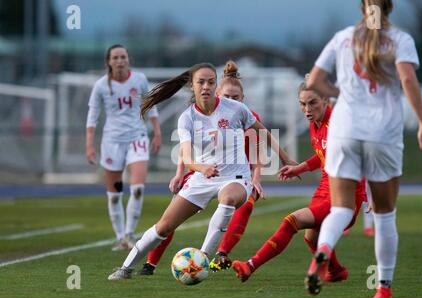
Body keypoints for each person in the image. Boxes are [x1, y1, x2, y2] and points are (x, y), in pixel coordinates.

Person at [304, 0, 422, 298]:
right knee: (384, 214)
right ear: (389, 7)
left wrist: (344, 95)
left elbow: (314, 81)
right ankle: (383, 289)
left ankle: (323, 250)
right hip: (383, 134)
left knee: (340, 209)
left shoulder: (342, 38)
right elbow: (407, 78)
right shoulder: (400, 40)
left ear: (362, 8)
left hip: (344, 131)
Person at [108, 62, 294, 280]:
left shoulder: (236, 109)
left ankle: (202, 258)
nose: (206, 86)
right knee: (164, 227)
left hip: (236, 178)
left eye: (211, 82)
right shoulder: (187, 118)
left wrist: (286, 159)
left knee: (228, 199)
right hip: (201, 177)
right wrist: (201, 167)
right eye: (201, 82)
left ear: (216, 85)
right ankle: (125, 268)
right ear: (192, 86)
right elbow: (186, 156)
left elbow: (263, 135)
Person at [231, 78, 367, 283]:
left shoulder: (338, 125)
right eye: (302, 104)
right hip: (324, 188)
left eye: (313, 103)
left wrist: (366, 194)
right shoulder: (315, 124)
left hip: (344, 194)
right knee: (311, 238)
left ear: (325, 100)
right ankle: (337, 271)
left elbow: (361, 157)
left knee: (292, 221)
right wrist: (299, 168)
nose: (307, 109)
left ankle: (250, 265)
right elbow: (323, 155)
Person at [138, 60, 266, 276]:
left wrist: (257, 177)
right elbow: (185, 148)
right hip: (204, 170)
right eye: (226, 97)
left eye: (235, 98)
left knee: (244, 206)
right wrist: (179, 173)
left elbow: (258, 146)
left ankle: (219, 254)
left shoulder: (244, 115)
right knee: (171, 219)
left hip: (237, 176)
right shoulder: (198, 115)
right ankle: (150, 263)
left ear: (242, 100)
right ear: (218, 93)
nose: (230, 100)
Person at [86, 44, 162, 251]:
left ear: (128, 59)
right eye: (116, 57)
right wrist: (89, 145)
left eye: (123, 57)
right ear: (109, 62)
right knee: (115, 193)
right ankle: (120, 237)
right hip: (112, 142)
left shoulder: (139, 79)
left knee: (137, 189)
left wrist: (157, 132)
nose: (120, 61)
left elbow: (151, 105)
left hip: (137, 137)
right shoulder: (101, 86)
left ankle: (129, 233)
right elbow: (92, 116)